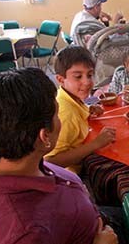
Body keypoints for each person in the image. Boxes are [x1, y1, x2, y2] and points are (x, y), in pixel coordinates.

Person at [0, 67, 118, 244]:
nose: (60, 121)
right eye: (57, 115)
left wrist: (76, 189)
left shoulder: (20, 158)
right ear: (44, 136)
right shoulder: (23, 232)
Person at [44, 46, 116, 174]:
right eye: (78, 77)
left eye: (90, 75)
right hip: (72, 173)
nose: (87, 82)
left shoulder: (69, 95)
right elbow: (50, 161)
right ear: (61, 79)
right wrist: (96, 143)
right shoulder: (65, 114)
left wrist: (87, 109)